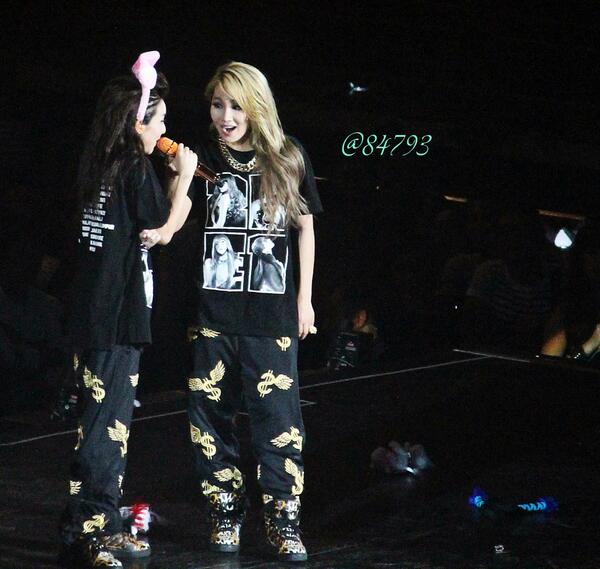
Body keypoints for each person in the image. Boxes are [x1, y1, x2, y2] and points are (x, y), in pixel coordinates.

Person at [158, 61, 322, 561]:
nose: (225, 116)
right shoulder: (202, 156)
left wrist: (304, 299)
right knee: (209, 420)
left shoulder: (287, 156)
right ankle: (224, 512)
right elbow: (176, 217)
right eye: (217, 104)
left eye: (235, 106)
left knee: (279, 422)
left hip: (270, 318)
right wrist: (179, 177)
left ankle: (283, 522)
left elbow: (305, 228)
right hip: (213, 313)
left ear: (256, 107)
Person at [59, 51, 197, 569]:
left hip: (92, 311)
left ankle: (93, 524)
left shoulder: (99, 161)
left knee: (101, 425)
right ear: (138, 123)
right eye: (158, 121)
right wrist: (183, 177)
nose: (164, 130)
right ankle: (90, 533)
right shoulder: (134, 168)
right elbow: (161, 226)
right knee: (105, 428)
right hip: (116, 315)